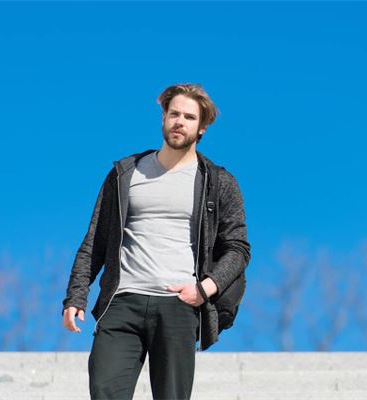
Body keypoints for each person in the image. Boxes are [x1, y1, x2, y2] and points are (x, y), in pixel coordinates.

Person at [61, 83, 251, 400]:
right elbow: (95, 239)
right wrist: (76, 296)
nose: (179, 122)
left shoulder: (218, 182)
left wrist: (204, 288)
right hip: (123, 300)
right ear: (163, 117)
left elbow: (238, 248)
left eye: (189, 117)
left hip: (179, 304)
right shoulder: (125, 173)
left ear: (202, 127)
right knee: (105, 391)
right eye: (174, 114)